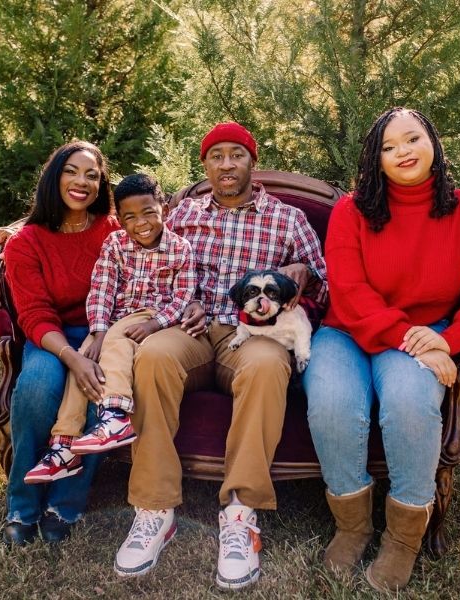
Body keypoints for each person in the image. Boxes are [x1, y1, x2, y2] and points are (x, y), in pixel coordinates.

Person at [302, 107, 460, 590]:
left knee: (409, 403)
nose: (402, 151)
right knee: (332, 403)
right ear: (375, 159)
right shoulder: (352, 210)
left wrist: (447, 340)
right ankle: (353, 526)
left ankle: (403, 539)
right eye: (388, 145)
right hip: (349, 331)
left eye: (412, 139)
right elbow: (349, 289)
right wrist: (412, 337)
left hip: (426, 335)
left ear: (433, 145)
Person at [112, 122, 328, 590]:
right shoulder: (184, 213)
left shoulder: (287, 219)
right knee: (152, 356)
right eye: (216, 156)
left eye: (236, 155)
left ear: (252, 161)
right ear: (204, 164)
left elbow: (326, 283)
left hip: (252, 336)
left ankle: (239, 512)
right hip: (190, 327)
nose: (226, 165)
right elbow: (128, 235)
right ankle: (154, 509)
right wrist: (22, 227)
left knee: (270, 365)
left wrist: (304, 273)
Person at [24, 173, 196, 483]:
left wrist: (155, 323)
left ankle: (115, 416)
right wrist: (99, 330)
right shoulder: (115, 243)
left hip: (148, 314)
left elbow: (183, 296)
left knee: (117, 339)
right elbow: (101, 288)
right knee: (85, 358)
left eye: (148, 213)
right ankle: (64, 445)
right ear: (118, 218)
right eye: (129, 217)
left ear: (165, 209)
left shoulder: (180, 248)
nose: (140, 223)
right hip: (112, 317)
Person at [0, 140, 119, 546]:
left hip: (102, 332)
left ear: (101, 184)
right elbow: (34, 314)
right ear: (55, 176)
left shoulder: (112, 231)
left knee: (96, 392)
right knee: (36, 389)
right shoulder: (25, 242)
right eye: (71, 171)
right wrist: (71, 356)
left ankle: (64, 505)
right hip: (51, 338)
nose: (81, 182)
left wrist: (97, 343)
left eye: (91, 174)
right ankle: (23, 505)